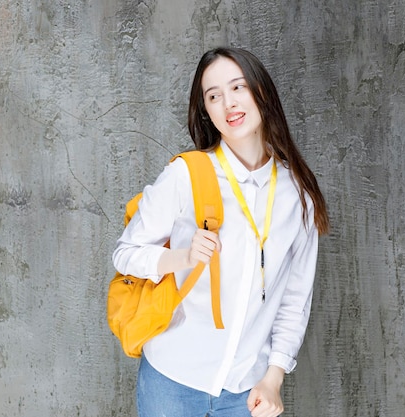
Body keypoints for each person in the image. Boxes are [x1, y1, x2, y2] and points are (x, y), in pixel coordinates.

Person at [112, 47, 330, 417]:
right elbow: (126, 253)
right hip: (171, 382)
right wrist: (180, 257)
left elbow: (295, 300)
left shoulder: (298, 195)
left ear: (261, 92)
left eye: (238, 88)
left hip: (248, 391)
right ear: (206, 111)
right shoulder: (187, 175)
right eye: (213, 96)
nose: (228, 103)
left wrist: (273, 377)